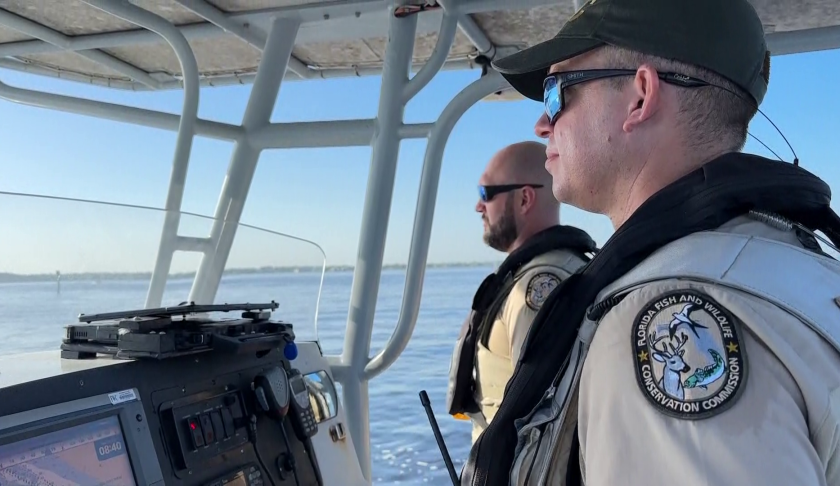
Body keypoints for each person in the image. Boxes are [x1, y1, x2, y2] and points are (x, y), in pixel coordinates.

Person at [458, 0, 840, 485]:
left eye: (556, 93)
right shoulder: (795, 265)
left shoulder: (660, 328)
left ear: (640, 96)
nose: (541, 124)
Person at [445, 141, 598, 444]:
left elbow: (543, 422)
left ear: (525, 199)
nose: (478, 206)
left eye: (485, 194)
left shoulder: (539, 287)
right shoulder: (535, 274)